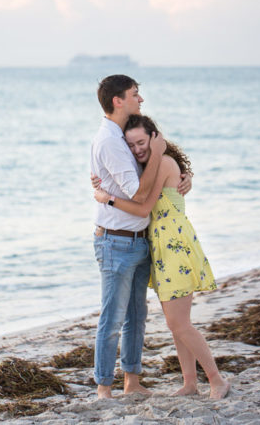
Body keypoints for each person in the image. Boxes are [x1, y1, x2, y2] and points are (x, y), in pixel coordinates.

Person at [93, 114, 230, 400]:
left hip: (174, 247)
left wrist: (107, 198)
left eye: (142, 142)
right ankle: (190, 383)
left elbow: (143, 208)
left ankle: (216, 380)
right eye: (130, 145)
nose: (136, 149)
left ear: (155, 138)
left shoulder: (163, 163)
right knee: (176, 324)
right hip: (162, 248)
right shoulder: (152, 165)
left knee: (179, 324)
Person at [90, 75, 191, 399]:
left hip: (139, 239)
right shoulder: (109, 140)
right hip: (116, 240)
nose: (141, 99)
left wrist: (179, 174)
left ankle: (132, 382)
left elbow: (151, 172)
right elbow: (138, 191)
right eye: (135, 94)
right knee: (113, 317)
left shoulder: (123, 136)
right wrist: (160, 154)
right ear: (118, 100)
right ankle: (104, 387)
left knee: (137, 316)